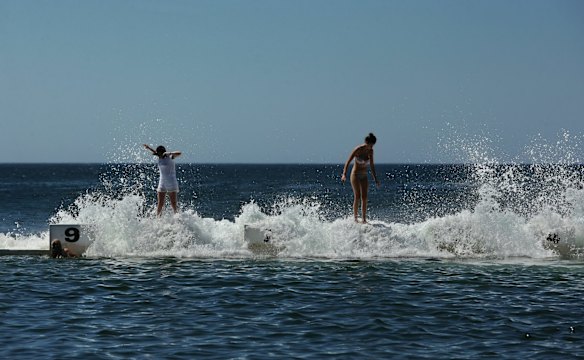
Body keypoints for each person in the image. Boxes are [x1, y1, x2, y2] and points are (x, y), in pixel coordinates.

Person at [341, 133, 381, 223]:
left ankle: (364, 219)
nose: (371, 147)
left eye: (372, 145)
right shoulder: (358, 149)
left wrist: (375, 179)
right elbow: (348, 162)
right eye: (370, 145)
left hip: (364, 175)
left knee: (365, 197)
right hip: (355, 174)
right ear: (366, 142)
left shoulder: (371, 151)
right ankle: (355, 218)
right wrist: (344, 174)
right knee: (357, 196)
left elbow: (372, 165)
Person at [143, 144, 182, 216]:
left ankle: (178, 218)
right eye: (158, 153)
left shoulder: (170, 157)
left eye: (160, 153)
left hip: (171, 182)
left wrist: (170, 153)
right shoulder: (159, 157)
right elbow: (155, 152)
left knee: (173, 203)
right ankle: (158, 219)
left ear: (163, 152)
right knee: (160, 203)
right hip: (162, 182)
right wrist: (148, 148)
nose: (158, 154)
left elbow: (179, 153)